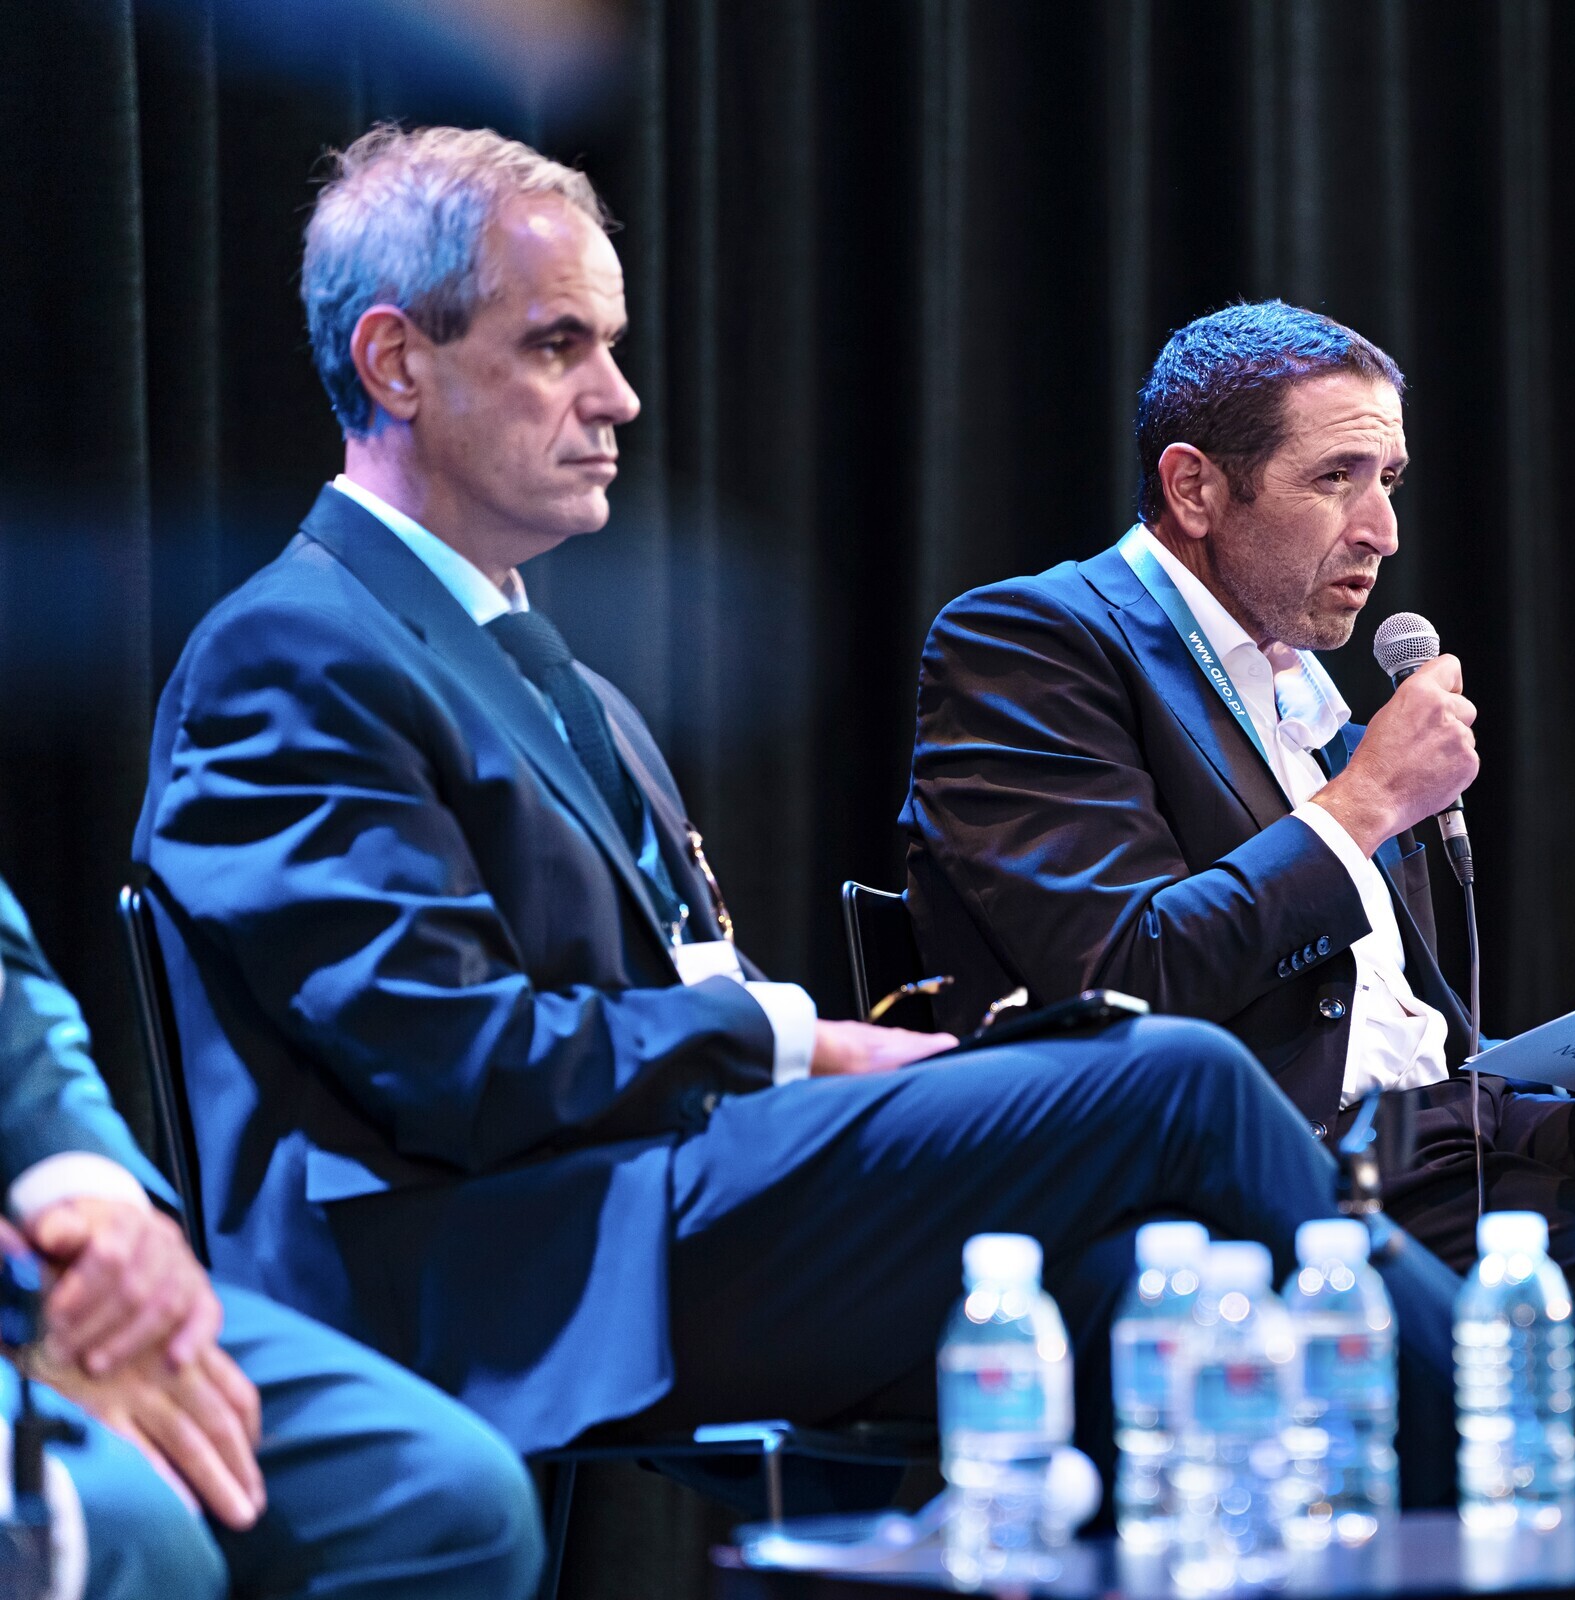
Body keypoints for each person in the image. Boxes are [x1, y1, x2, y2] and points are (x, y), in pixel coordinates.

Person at [129, 124, 1481, 1508]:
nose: (619, 397)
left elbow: (662, 988)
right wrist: (789, 1040)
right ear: (396, 363)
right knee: (1178, 1076)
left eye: (612, 341)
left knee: (1152, 1280)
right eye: (558, 346)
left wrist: (856, 1063)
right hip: (505, 1258)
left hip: (662, 1198)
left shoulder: (552, 671)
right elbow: (451, 1055)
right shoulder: (297, 651)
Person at [900, 300, 1575, 1525]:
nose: (1382, 530)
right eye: (1336, 477)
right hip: (1279, 1175)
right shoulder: (1038, 642)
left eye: (1388, 477)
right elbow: (1124, 975)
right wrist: (1365, 801)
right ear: (1193, 488)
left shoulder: (1301, 683)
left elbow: (1403, 1016)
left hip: (1456, 1130)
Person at [0, 872, 543, 1598]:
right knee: (135, 1540)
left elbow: (13, 996)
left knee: (451, 1503)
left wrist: (99, 1209)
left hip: (35, 1257)